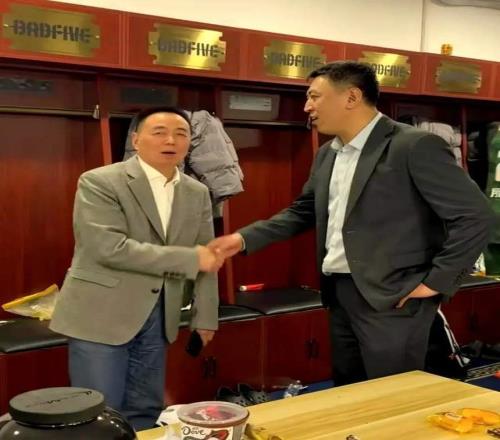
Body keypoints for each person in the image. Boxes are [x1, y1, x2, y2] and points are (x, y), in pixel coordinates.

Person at [208, 61, 493, 385]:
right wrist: (242, 239)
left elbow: (475, 216)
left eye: (314, 96)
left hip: (394, 297)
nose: (307, 107)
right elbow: (303, 212)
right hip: (339, 292)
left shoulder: (412, 146)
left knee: (390, 395)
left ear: (352, 97)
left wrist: (436, 282)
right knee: (349, 389)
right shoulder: (328, 154)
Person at [50, 106, 222, 430]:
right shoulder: (100, 181)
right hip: (101, 314)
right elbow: (108, 248)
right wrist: (188, 259)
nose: (171, 140)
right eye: (159, 132)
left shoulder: (197, 192)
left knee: (145, 407)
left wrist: (205, 316)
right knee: (99, 412)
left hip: (160, 314)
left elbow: (208, 258)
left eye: (181, 134)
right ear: (136, 139)